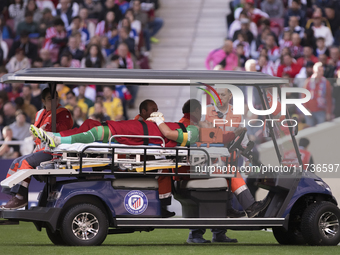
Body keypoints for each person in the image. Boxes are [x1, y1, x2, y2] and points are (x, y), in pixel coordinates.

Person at [0, 87, 73, 210]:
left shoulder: (63, 113)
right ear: (43, 100)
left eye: (56, 98)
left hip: (55, 152)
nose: (54, 101)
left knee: (25, 162)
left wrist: (47, 129)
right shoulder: (39, 113)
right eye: (50, 99)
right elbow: (35, 134)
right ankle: (15, 196)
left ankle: (20, 198)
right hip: (40, 150)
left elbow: (63, 131)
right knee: (15, 162)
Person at [303, 62, 332, 126]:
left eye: (321, 71)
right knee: (310, 130)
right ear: (314, 71)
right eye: (318, 70)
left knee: (321, 130)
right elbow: (303, 96)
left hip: (321, 110)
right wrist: (306, 109)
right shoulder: (308, 82)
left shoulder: (326, 83)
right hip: (309, 110)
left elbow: (329, 98)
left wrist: (328, 112)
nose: (320, 73)